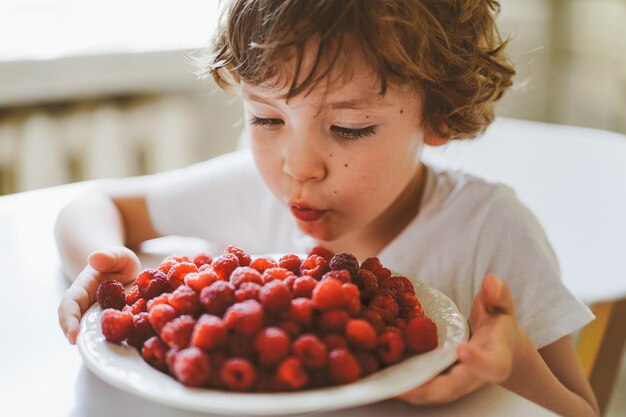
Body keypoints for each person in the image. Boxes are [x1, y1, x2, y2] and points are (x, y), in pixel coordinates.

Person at [56, 1, 599, 415]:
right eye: (267, 119)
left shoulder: (490, 232)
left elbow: (580, 407)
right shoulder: (250, 187)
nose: (298, 166)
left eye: (349, 127)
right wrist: (109, 264)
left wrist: (513, 363)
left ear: (440, 117)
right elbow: (93, 203)